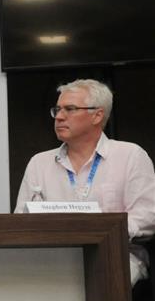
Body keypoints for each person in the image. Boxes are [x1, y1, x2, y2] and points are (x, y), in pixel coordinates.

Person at [15, 79, 155, 286]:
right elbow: (21, 219)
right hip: (53, 257)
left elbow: (148, 215)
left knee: (101, 283)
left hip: (114, 255)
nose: (59, 117)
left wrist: (103, 231)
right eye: (57, 109)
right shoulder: (39, 162)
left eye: (70, 109)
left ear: (97, 115)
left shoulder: (130, 155)